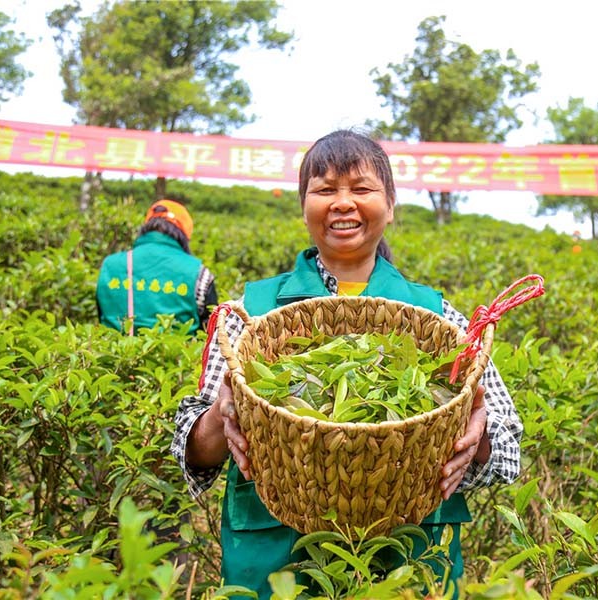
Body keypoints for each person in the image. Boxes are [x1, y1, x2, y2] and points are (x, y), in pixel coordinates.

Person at [170, 130, 523, 598]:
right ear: (304, 207)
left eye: (361, 189)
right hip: (277, 564)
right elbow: (191, 449)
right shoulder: (249, 314)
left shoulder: (441, 319)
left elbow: (507, 441)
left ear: (390, 205)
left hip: (409, 556)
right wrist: (222, 414)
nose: (342, 203)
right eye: (324, 189)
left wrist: (473, 430)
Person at [96, 199, 217, 335]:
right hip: (179, 355)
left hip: (113, 352)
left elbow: (102, 314)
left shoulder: (109, 265)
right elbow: (211, 330)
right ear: (184, 234)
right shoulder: (199, 273)